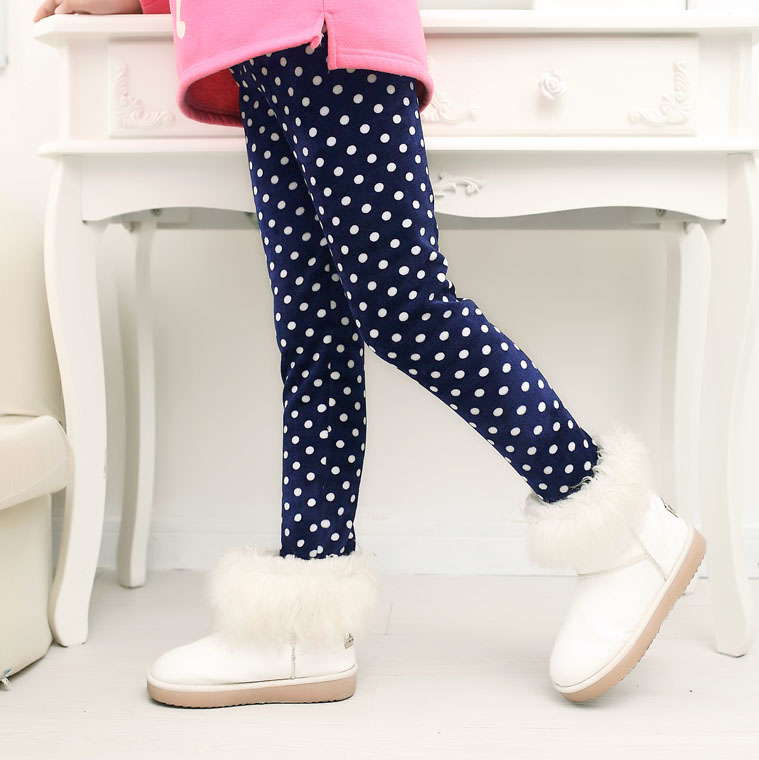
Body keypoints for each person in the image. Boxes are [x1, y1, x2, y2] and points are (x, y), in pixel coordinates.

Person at [34, 0, 706, 707]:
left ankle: (622, 528)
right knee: (313, 340)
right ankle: (306, 627)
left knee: (406, 308)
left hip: (320, 32)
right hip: (259, 54)